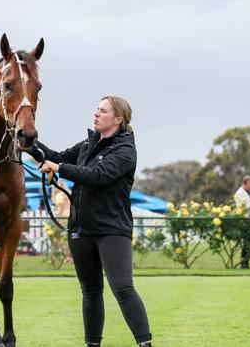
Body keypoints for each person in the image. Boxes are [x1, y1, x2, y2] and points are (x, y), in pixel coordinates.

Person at [32, 96, 152, 347]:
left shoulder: (125, 150)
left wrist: (60, 167)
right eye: (96, 109)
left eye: (103, 110)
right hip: (81, 230)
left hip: (112, 231)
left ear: (118, 119)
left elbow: (97, 175)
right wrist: (29, 143)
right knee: (91, 292)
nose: (96, 114)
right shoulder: (88, 145)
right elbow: (55, 155)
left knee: (122, 288)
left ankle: (145, 344)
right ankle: (92, 344)